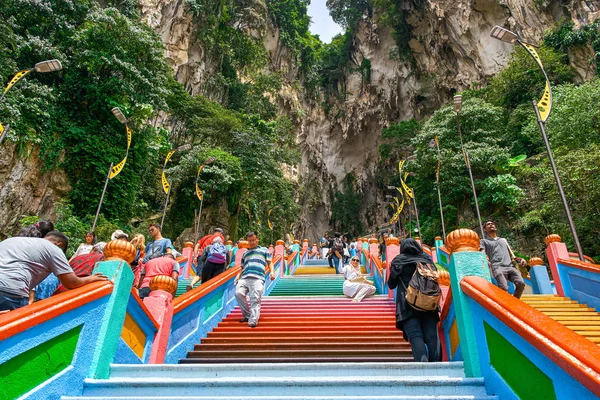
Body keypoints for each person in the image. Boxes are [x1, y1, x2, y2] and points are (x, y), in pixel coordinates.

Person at [0, 231, 108, 311]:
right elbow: (71, 283)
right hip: (10, 292)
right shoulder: (54, 249)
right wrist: (92, 278)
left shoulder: (12, 240)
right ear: (59, 244)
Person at [388, 238, 440, 362]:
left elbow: (391, 284)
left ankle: (423, 365)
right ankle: (438, 366)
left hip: (408, 303)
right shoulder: (427, 260)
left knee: (415, 334)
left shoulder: (399, 261)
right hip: (428, 303)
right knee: (432, 335)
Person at [235, 231, 275, 328]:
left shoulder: (264, 250)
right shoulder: (245, 253)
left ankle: (253, 321)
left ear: (257, 239)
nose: (252, 242)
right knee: (238, 293)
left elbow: (270, 263)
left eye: (253, 240)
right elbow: (242, 267)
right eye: (249, 241)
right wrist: (237, 276)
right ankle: (247, 315)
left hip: (258, 278)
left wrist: (272, 272)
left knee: (255, 298)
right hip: (244, 277)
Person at [480, 219, 526, 299]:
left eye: (492, 223)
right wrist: (485, 260)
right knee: (504, 287)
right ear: (484, 229)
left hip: (510, 266)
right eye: (488, 224)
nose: (491, 225)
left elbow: (512, 254)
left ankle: (515, 300)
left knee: (521, 283)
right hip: (497, 267)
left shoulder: (503, 240)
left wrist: (520, 259)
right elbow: (482, 252)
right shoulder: (484, 241)